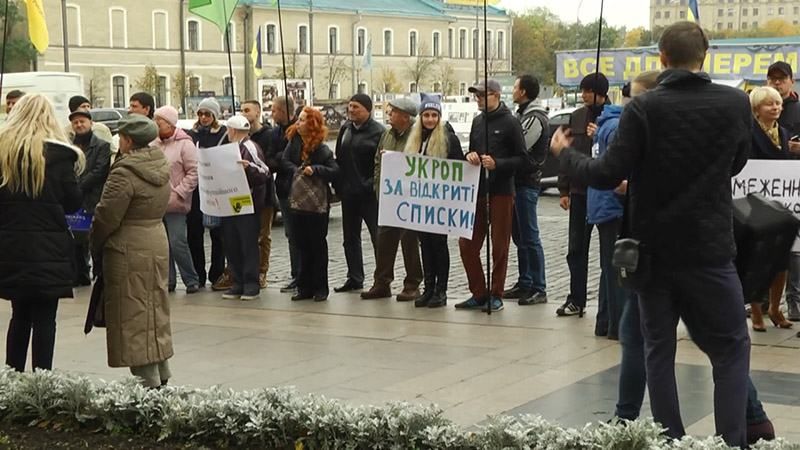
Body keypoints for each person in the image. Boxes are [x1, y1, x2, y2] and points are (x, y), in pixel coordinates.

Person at [551, 21, 752, 447]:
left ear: (660, 58)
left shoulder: (644, 108)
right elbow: (736, 163)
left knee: (658, 349)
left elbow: (607, 173)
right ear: (706, 55)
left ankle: (670, 439)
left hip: (653, 251)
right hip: (710, 248)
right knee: (732, 348)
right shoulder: (735, 103)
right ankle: (731, 441)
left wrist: (565, 155)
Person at [0, 93, 84, 372]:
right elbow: (73, 201)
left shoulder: (4, 153)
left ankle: (12, 378)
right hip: (50, 246)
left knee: (19, 315)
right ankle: (42, 383)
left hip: (11, 244)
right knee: (46, 319)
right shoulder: (61, 156)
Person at [90, 115, 173, 389]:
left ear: (126, 140)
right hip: (156, 239)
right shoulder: (159, 163)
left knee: (132, 310)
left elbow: (106, 216)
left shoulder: (124, 173)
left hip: (127, 245)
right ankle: (161, 371)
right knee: (154, 307)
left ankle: (148, 381)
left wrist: (95, 244)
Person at [455, 79, 525, 312]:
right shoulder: (477, 122)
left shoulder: (511, 123)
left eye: (483, 96)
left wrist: (498, 164)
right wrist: (470, 155)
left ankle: (497, 292)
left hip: (502, 191)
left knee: (499, 246)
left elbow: (523, 160)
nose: (478, 99)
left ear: (496, 95)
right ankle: (479, 291)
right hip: (477, 190)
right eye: (476, 96)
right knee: (467, 243)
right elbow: (471, 150)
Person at [556, 73, 610, 318]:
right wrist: (564, 188)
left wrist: (599, 134)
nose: (584, 95)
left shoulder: (612, 117)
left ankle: (608, 303)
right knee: (576, 248)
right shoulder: (577, 116)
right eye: (583, 90)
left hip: (604, 193)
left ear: (600, 92)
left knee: (608, 253)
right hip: (578, 192)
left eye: (588, 91)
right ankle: (576, 298)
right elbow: (567, 151)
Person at [404, 95, 465, 308]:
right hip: (421, 202)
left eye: (433, 115)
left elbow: (459, 167)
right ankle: (429, 287)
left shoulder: (449, 138)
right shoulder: (415, 139)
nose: (430, 119)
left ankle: (441, 290)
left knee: (439, 244)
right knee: (425, 244)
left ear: (439, 117)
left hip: (440, 202)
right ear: (421, 117)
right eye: (426, 115)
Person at [361, 97, 423, 302]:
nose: (388, 115)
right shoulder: (387, 134)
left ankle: (413, 284)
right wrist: (379, 186)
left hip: (410, 197)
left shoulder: (418, 134)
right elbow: (378, 160)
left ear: (405, 116)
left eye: (392, 112)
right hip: (389, 197)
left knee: (409, 240)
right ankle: (382, 282)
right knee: (384, 239)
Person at [746, 86, 795, 331]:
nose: (775, 107)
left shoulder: (784, 133)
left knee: (782, 259)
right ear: (757, 109)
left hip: (781, 206)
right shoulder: (748, 133)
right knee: (757, 259)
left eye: (777, 103)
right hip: (755, 205)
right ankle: (756, 310)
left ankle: (776, 308)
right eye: (769, 104)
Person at [281, 107, 339, 302]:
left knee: (317, 245)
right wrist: (297, 170)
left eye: (303, 120)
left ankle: (320, 287)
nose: (299, 123)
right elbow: (285, 161)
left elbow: (334, 170)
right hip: (297, 201)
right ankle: (304, 286)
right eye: (299, 119)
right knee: (301, 244)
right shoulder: (294, 142)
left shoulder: (321, 148)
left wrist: (315, 169)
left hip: (316, 205)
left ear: (312, 124)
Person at [503, 75, 549, 306]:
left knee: (530, 237)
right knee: (519, 236)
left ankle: (539, 286)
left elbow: (519, 146)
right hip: (517, 182)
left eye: (514, 87)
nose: (512, 91)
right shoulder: (522, 114)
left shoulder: (534, 118)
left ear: (523, 92)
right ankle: (525, 281)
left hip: (527, 183)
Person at [334, 94, 385, 293]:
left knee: (377, 237)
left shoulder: (379, 132)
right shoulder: (346, 129)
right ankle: (354, 276)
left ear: (367, 110)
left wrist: (371, 184)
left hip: (370, 195)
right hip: (348, 194)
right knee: (350, 238)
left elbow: (382, 164)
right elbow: (339, 157)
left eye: (356, 107)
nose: (351, 110)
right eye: (349, 106)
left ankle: (381, 280)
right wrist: (339, 185)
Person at [585, 102, 625, 339]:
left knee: (608, 269)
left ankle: (605, 321)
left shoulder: (603, 125)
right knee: (617, 269)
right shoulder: (618, 127)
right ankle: (617, 326)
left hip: (600, 202)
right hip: (613, 203)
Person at [220, 115, 269, 301]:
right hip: (230, 201)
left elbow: (264, 172)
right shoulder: (228, 148)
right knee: (232, 243)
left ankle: (251, 283)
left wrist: (249, 168)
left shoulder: (249, 147)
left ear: (232, 130)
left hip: (247, 203)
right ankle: (238, 281)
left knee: (247, 244)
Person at [153, 105, 200, 295]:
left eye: (160, 121)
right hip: (156, 202)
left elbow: (194, 172)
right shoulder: (153, 144)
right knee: (162, 246)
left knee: (177, 242)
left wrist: (179, 191)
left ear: (171, 124)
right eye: (155, 121)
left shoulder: (185, 143)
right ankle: (168, 281)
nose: (156, 125)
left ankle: (191, 279)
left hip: (175, 203)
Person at [767, 61, 800, 322]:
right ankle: (764, 301)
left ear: (791, 80)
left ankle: (794, 299)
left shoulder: (798, 109)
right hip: (766, 189)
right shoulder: (754, 110)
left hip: (794, 188)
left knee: (795, 248)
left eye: (782, 79)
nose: (777, 83)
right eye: (772, 79)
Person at [186, 97, 228, 289]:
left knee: (218, 234)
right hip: (196, 189)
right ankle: (198, 273)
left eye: (207, 114)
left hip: (215, 188)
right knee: (194, 232)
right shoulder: (191, 134)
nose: (203, 118)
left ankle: (217, 272)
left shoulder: (222, 133)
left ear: (214, 116)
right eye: (201, 114)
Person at [68, 109, 111, 286]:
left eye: (82, 122)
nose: (79, 125)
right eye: (75, 122)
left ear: (90, 123)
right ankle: (79, 273)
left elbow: (100, 171)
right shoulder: (68, 146)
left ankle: (98, 272)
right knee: (75, 238)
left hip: (93, 197)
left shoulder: (102, 146)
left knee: (93, 238)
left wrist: (79, 186)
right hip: (73, 198)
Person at [242, 100, 275, 289]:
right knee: (247, 234)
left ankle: (262, 270)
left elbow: (271, 161)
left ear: (257, 112)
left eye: (247, 110)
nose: (244, 113)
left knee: (263, 235)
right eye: (242, 110)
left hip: (264, 191)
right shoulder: (239, 136)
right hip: (243, 192)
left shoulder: (268, 135)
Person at [269, 97, 299, 293]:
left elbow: (293, 158)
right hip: (282, 187)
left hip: (298, 188)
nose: (272, 114)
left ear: (284, 111)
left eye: (274, 110)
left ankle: (303, 273)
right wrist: (280, 158)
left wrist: (282, 157)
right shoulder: (275, 132)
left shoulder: (297, 131)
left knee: (300, 234)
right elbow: (271, 158)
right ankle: (296, 273)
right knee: (291, 234)